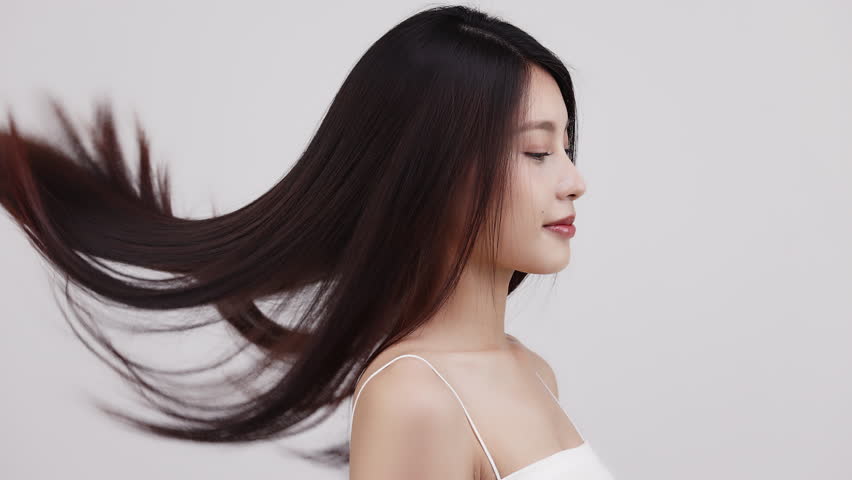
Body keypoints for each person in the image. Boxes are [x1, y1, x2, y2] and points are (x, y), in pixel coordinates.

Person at [0, 4, 613, 479]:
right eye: (537, 151)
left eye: (566, 147)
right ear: (433, 171)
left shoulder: (531, 370)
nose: (574, 181)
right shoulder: (416, 396)